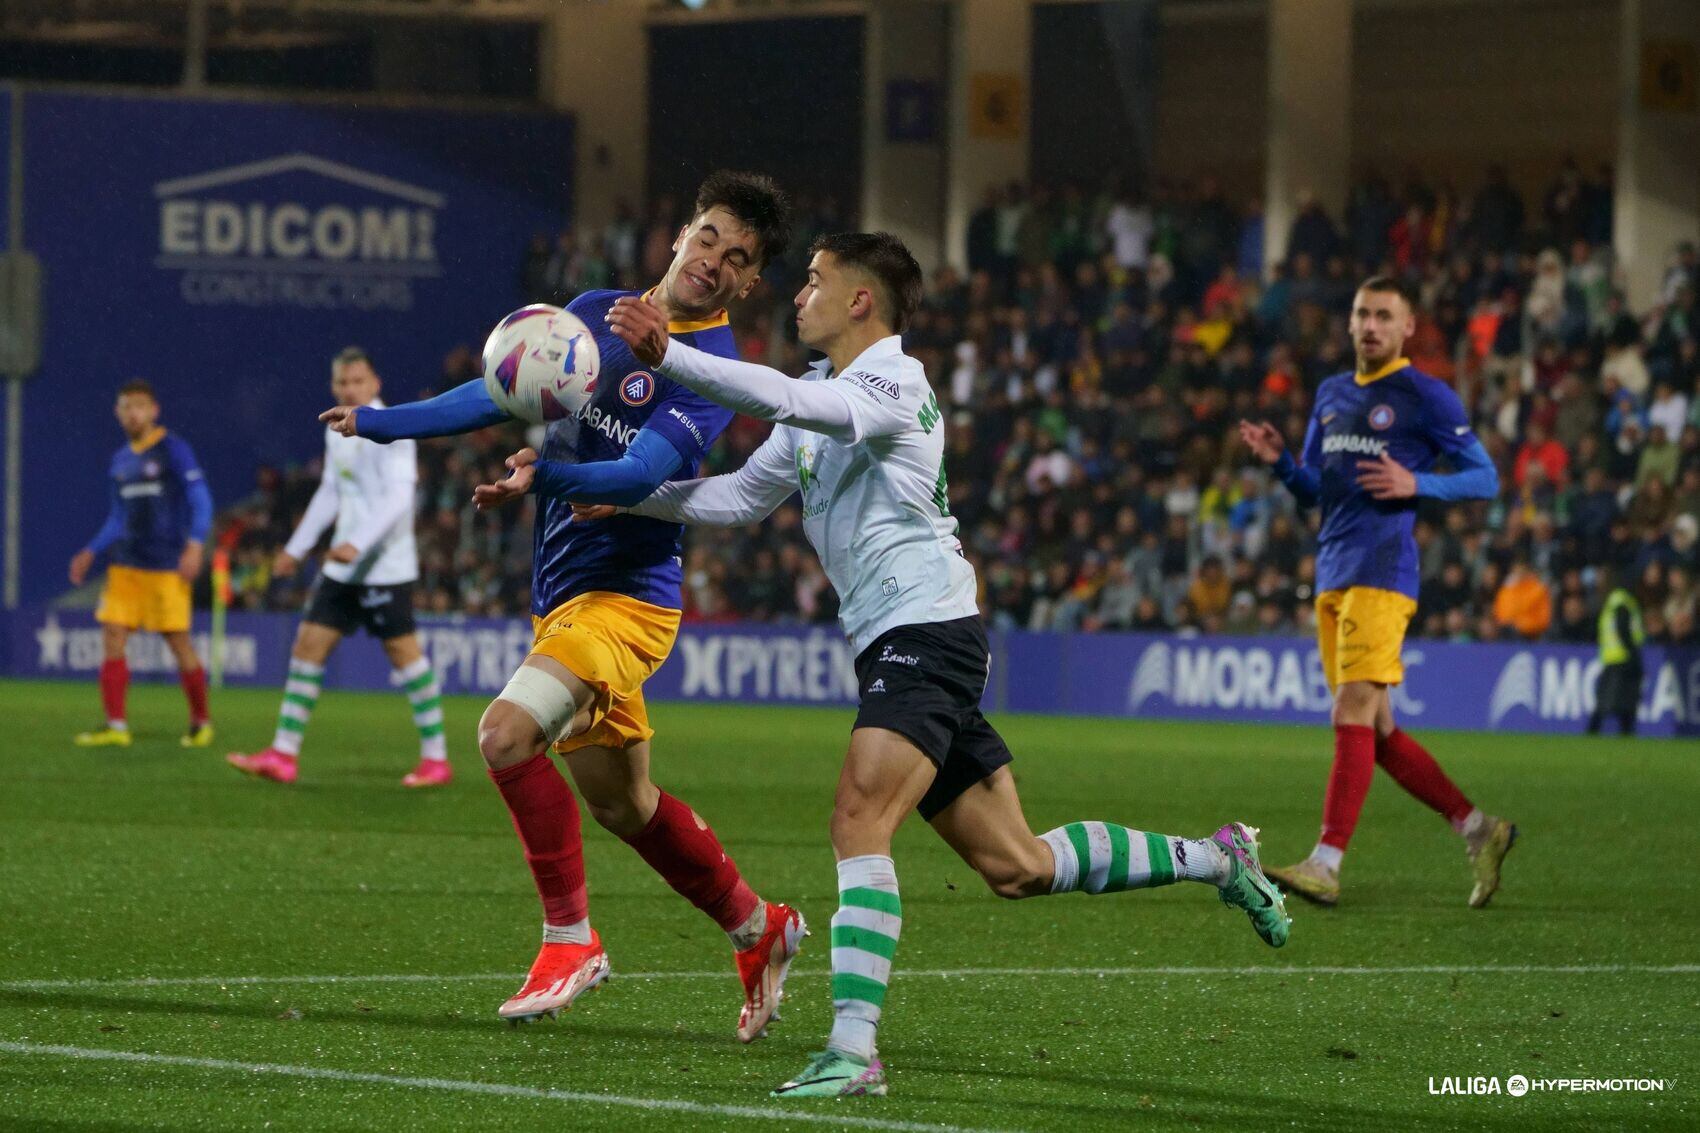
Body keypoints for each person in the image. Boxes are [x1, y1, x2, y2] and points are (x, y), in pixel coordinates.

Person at [559, 231, 1289, 1099]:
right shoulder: (826, 393)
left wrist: (668, 354)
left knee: (858, 817)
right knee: (1019, 864)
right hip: (902, 638)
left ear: (861, 301)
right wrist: (626, 492)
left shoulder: (892, 382)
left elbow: (787, 401)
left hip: (928, 631)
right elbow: (743, 496)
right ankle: (1218, 857)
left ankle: (853, 1046)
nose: (800, 296)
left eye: (818, 282)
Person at [322, 172, 803, 1038]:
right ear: (681, 235)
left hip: (627, 604)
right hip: (565, 601)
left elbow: (636, 477)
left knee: (505, 735)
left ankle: (569, 939)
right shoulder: (594, 309)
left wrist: (546, 475)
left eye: (739, 259)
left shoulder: (715, 372)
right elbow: (495, 391)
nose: (715, 262)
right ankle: (756, 925)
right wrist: (384, 421)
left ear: (749, 283)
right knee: (627, 806)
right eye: (709, 238)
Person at [1238, 275, 1516, 910]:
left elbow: (1485, 478)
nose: (1369, 325)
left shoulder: (1426, 396)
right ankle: (1482, 830)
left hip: (1384, 572)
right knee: (1380, 732)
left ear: (1407, 328)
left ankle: (1326, 863)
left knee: (1350, 713)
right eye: (1362, 313)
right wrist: (1282, 462)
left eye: (1384, 316)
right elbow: (1316, 490)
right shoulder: (1332, 393)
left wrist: (1419, 484)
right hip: (1333, 572)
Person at [228, 348, 450, 788]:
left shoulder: (395, 427)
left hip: (385, 564)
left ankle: (436, 759)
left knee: (405, 656)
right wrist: (297, 547)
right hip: (342, 566)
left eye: (358, 381)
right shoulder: (338, 429)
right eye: (343, 384)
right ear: (334, 388)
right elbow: (331, 490)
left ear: (375, 384)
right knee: (308, 645)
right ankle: (283, 755)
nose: (350, 389)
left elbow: (399, 496)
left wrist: (357, 542)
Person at [69, 380, 214, 748]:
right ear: (118, 413)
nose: (132, 413)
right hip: (125, 567)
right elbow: (118, 518)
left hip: (166, 565)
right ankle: (116, 727)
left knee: (179, 642)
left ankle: (201, 722)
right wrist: (91, 550)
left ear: (154, 410)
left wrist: (195, 545)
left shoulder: (173, 449)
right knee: (113, 635)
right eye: (125, 407)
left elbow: (201, 499)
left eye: (139, 406)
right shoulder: (120, 460)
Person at [1587, 567, 1644, 736]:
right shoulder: (1622, 601)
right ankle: (1621, 733)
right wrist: (1632, 653)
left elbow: (1618, 628)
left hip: (1615, 658)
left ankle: (1596, 733)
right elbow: (1623, 629)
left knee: (1611, 702)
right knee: (1619, 702)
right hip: (1624, 657)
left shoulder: (1614, 601)